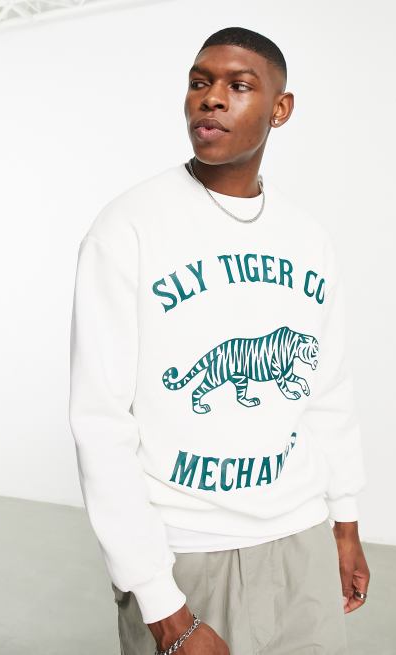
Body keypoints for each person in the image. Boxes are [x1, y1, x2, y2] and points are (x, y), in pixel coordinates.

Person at [68, 26, 370, 655]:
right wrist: (163, 608)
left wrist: (344, 523)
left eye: (239, 85)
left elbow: (327, 391)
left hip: (301, 536)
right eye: (199, 82)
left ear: (280, 109)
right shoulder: (126, 228)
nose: (211, 98)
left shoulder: (308, 238)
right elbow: (101, 423)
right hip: (186, 550)